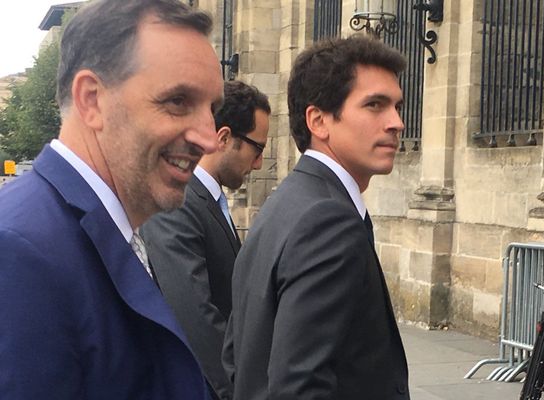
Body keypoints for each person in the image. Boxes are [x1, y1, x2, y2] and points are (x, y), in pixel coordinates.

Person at [0, 0, 224, 399]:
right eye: (177, 102)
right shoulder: (19, 250)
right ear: (91, 99)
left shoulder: (109, 227)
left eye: (212, 108)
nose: (208, 137)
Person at [223, 35, 410, 399]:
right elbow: (299, 385)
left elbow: (236, 357)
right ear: (319, 120)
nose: (396, 122)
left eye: (397, 106)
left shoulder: (284, 204)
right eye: (375, 105)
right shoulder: (327, 221)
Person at [141, 80, 271, 400]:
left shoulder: (210, 201)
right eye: (258, 149)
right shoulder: (179, 203)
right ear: (224, 138)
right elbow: (194, 313)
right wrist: (239, 391)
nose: (258, 164)